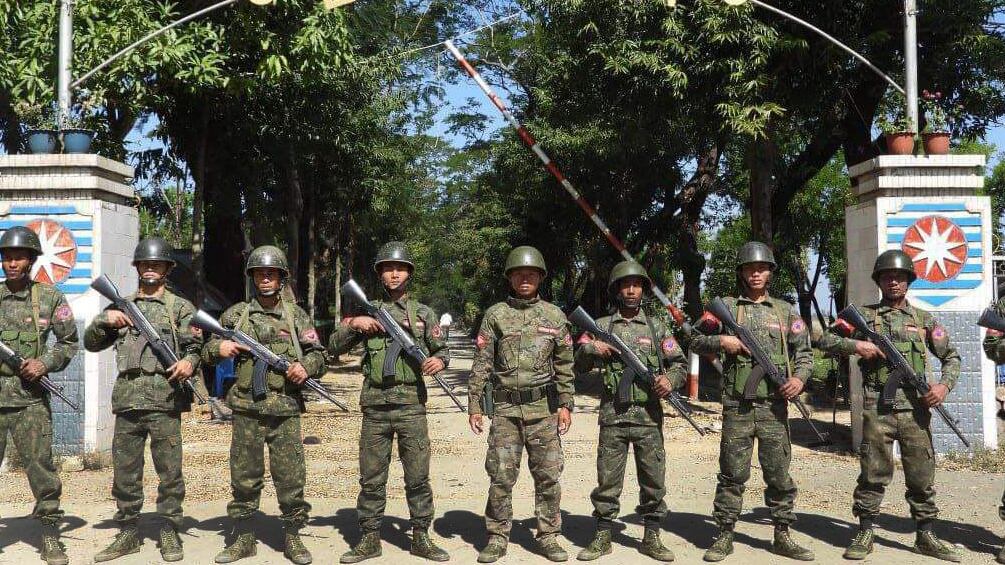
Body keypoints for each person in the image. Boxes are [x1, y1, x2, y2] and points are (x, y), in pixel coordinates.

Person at [820, 250, 963, 562]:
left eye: (899, 277)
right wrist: (857, 345)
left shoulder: (924, 320)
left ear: (909, 281)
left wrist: (942, 386)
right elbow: (826, 341)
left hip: (916, 410)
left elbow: (952, 357)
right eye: (887, 277)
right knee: (872, 473)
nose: (893, 281)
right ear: (879, 281)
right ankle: (865, 531)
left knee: (921, 476)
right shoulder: (863, 316)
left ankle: (925, 535)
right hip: (877, 408)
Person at [689, 241, 814, 562]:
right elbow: (694, 338)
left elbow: (805, 354)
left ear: (770, 273)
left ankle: (782, 534)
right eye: (750, 269)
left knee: (779, 474)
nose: (756, 274)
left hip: (774, 407)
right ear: (742, 273)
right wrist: (723, 340)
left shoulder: (785, 311)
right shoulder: (727, 307)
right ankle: (724, 534)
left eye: (761, 269)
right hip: (738, 406)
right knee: (732, 473)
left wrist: (799, 380)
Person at [203, 245, 324, 565]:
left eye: (271, 274)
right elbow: (207, 350)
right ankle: (244, 537)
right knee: (244, 475)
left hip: (284, 409)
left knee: (290, 476)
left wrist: (305, 367)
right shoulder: (236, 315)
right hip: (247, 409)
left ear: (282, 278)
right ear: (252, 278)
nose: (265, 279)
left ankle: (293, 535)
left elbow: (318, 355)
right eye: (260, 274)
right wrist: (220, 348)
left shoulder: (297, 316)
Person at [331, 242, 451, 563]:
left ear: (409, 273)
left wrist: (439, 361)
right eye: (388, 268)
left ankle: (421, 536)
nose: (394, 274)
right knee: (372, 477)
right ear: (380, 274)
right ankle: (369, 538)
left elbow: (442, 350)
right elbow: (333, 346)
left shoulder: (423, 313)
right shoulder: (367, 310)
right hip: (375, 406)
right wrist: (354, 324)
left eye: (400, 268)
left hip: (412, 406)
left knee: (417, 476)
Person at [87, 237, 202, 562]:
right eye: (145, 264)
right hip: (128, 402)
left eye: (157, 264)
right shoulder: (120, 306)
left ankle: (169, 529)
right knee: (125, 472)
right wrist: (103, 321)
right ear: (137, 267)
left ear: (167, 269)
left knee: (170, 472)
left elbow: (196, 348)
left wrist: (188, 362)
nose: (150, 268)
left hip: (165, 401)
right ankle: (128, 532)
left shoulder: (181, 308)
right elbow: (91, 343)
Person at [467, 246, 574, 563]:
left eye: (531, 274)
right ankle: (497, 536)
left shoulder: (554, 316)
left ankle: (549, 536)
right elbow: (482, 363)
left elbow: (565, 364)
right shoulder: (495, 315)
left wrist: (566, 404)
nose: (525, 278)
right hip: (506, 413)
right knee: (500, 477)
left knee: (548, 477)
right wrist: (475, 404)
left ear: (540, 277)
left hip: (543, 412)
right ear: (510, 278)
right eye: (518, 274)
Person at [573, 260, 685, 562]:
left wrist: (669, 380)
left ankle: (652, 536)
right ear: (617, 290)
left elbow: (679, 364)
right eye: (626, 285)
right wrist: (591, 349)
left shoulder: (657, 327)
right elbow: (578, 365)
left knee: (653, 480)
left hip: (649, 418)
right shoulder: (601, 326)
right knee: (608, 480)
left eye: (636, 285)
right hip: (613, 416)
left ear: (643, 290)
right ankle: (602, 535)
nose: (632, 290)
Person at [0, 226, 79, 565]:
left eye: (18, 258)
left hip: (29, 399)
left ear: (31, 260)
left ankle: (49, 533)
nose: (11, 263)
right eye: (7, 257)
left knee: (42, 470)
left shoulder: (49, 298)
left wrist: (43, 363)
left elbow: (69, 342)